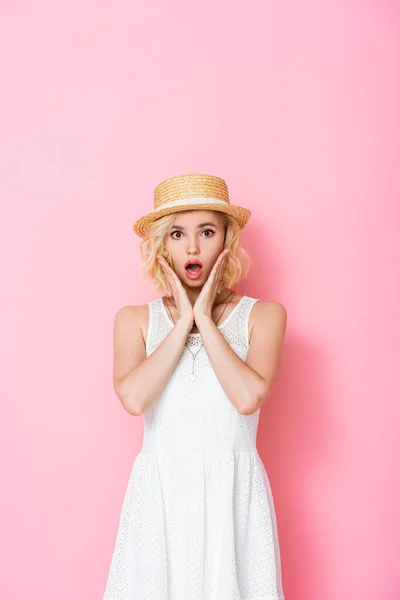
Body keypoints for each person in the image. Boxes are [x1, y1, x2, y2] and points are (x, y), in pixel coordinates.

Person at [103, 173, 287, 600]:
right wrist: (183, 320)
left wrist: (204, 318)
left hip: (232, 495)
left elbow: (246, 398)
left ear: (227, 239)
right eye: (177, 234)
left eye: (207, 231)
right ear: (161, 245)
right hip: (161, 498)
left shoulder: (265, 315)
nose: (192, 248)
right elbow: (134, 398)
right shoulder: (133, 320)